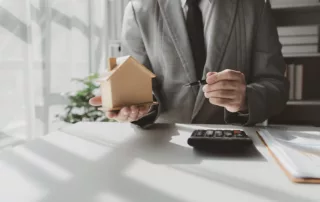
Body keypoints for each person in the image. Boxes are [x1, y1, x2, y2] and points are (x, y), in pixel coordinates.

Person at [90, 0, 289, 128]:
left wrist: (246, 99)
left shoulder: (255, 6)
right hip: (163, 147)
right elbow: (136, 83)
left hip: (233, 146)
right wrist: (134, 105)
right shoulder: (139, 9)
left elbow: (276, 87)